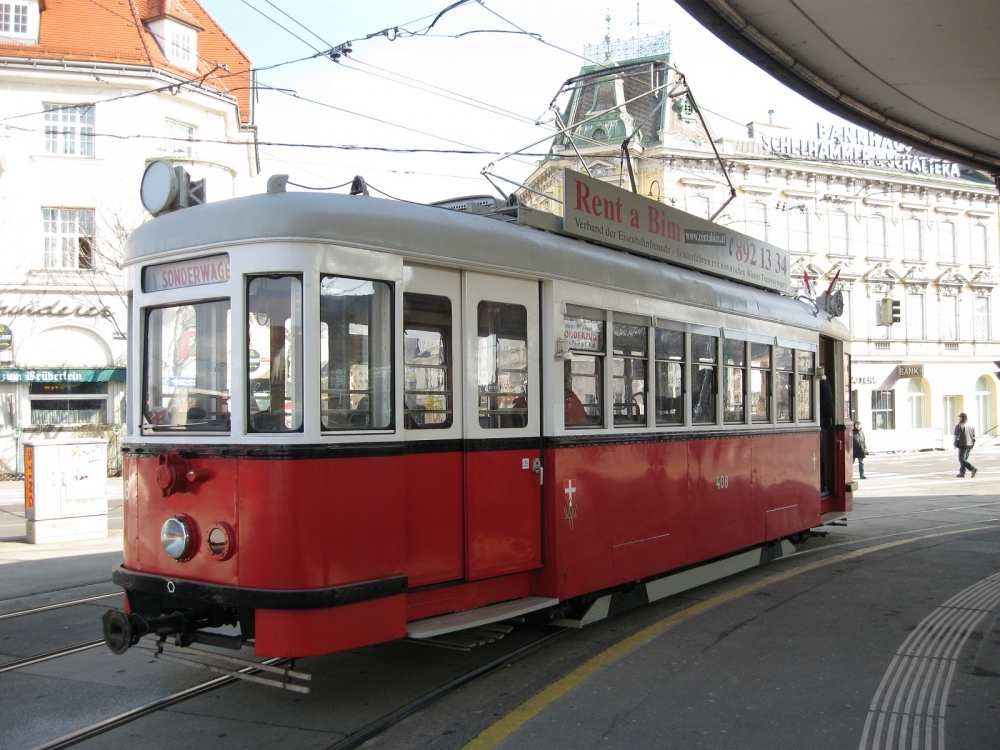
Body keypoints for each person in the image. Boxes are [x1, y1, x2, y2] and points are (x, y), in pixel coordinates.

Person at [954, 413, 978, 478]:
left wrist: (955, 443)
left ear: (962, 418)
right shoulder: (971, 425)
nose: (959, 418)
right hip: (970, 444)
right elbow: (973, 436)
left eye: (959, 417)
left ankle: (972, 468)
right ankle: (962, 472)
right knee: (964, 459)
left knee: (961, 459)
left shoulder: (959, 425)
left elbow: (957, 436)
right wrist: (973, 443)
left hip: (963, 444)